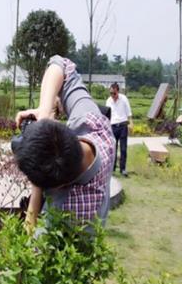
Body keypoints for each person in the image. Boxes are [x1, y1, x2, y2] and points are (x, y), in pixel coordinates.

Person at [13, 55, 115, 229]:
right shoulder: (96, 128)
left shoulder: (69, 212)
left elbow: (32, 244)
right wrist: (44, 113)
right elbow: (61, 65)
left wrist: (37, 188)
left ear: (60, 186)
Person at [105, 82, 133, 177]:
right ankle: (112, 169)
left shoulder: (124, 99)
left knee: (123, 149)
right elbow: (107, 115)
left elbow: (129, 112)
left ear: (118, 91)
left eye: (114, 93)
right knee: (113, 148)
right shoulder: (108, 101)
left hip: (123, 125)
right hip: (113, 126)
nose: (113, 95)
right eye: (111, 93)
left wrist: (131, 123)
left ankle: (123, 169)